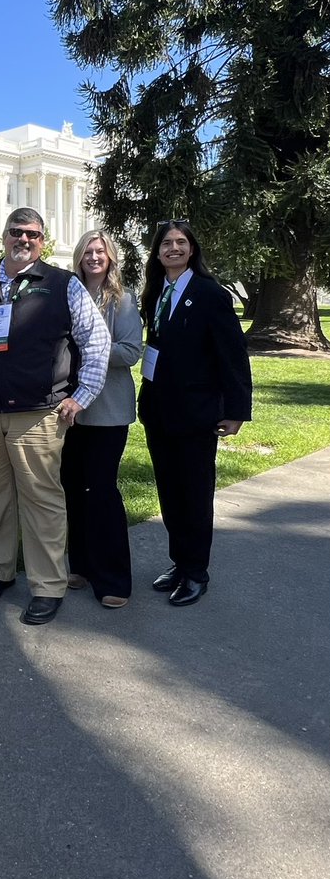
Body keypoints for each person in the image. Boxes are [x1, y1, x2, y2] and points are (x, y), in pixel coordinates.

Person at [0, 207, 110, 626]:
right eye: (16, 232)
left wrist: (82, 396)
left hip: (40, 413)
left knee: (41, 500)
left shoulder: (63, 284)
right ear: (4, 236)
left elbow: (96, 341)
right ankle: (0, 569)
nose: (23, 240)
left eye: (33, 234)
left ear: (43, 241)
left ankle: (47, 585)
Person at [138, 220, 252, 606]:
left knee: (195, 495)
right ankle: (179, 561)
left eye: (181, 242)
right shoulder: (155, 292)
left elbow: (233, 355)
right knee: (170, 493)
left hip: (197, 413)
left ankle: (196, 572)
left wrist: (236, 410)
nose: (173, 248)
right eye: (166, 243)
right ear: (157, 253)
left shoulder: (209, 294)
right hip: (158, 410)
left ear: (192, 249)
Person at [60, 230, 142, 609]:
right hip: (71, 409)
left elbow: (130, 351)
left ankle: (113, 579)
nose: (94, 257)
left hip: (108, 411)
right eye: (87, 252)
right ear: (79, 257)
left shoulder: (122, 300)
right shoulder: (69, 295)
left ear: (110, 257)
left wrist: (90, 347)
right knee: (73, 489)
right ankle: (81, 565)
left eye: (100, 251)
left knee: (102, 491)